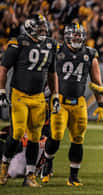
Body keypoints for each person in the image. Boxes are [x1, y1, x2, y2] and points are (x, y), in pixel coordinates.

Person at [41, 23, 103, 186]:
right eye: (74, 35)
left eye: (79, 35)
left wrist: (101, 104)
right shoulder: (57, 51)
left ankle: (73, 177)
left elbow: (96, 81)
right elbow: (47, 73)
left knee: (78, 138)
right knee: (55, 136)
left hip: (79, 102)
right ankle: (47, 164)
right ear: (67, 36)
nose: (77, 38)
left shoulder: (90, 54)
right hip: (59, 100)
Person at [0, 14, 60, 187]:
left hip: (38, 97)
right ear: (30, 27)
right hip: (19, 95)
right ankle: (4, 166)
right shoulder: (17, 43)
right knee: (17, 133)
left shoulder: (50, 45)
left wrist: (55, 95)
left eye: (43, 27)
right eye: (39, 27)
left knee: (35, 137)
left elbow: (52, 73)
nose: (43, 30)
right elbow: (3, 69)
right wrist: (2, 91)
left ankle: (30, 176)